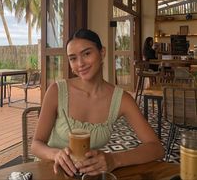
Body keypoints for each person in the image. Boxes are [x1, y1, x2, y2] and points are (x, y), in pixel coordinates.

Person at [31, 29, 164, 177]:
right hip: (49, 172)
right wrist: (55, 154)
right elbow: (36, 144)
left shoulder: (121, 99)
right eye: (73, 58)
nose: (80, 63)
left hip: (88, 176)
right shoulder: (56, 91)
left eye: (87, 54)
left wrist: (114, 159)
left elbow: (156, 148)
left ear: (102, 53)